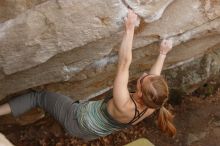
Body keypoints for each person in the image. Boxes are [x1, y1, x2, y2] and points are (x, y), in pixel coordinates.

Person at [0, 10, 176, 141]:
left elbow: (124, 63)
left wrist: (129, 28)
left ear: (139, 94)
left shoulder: (123, 103)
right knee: (66, 104)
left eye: (142, 79)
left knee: (37, 97)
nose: (145, 74)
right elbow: (154, 79)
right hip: (91, 132)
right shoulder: (153, 104)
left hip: (76, 120)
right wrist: (163, 53)